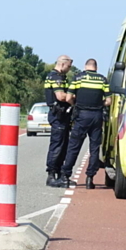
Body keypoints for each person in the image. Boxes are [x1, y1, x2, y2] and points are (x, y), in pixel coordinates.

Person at [60, 59, 111, 189]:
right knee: (94, 148)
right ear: (96, 67)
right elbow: (109, 101)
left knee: (74, 146)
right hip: (97, 116)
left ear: (85, 66)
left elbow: (68, 98)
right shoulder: (102, 80)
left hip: (81, 115)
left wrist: (75, 104)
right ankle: (90, 178)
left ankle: (66, 175)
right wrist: (99, 104)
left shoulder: (78, 78)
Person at [44, 55, 74, 187]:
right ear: (62, 64)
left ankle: (59, 175)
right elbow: (61, 96)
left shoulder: (59, 77)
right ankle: (51, 175)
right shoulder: (55, 77)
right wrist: (74, 97)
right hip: (58, 115)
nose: (69, 69)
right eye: (68, 66)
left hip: (62, 115)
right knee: (57, 145)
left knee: (63, 145)